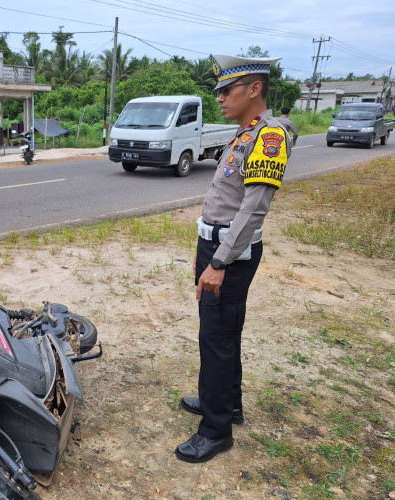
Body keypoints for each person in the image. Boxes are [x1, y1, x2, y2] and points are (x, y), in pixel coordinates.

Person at [175, 54, 292, 463]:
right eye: (219, 91)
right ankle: (224, 402)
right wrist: (205, 255)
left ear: (254, 89)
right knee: (221, 331)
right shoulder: (244, 134)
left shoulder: (270, 137)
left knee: (218, 336)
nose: (220, 98)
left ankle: (216, 429)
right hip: (216, 246)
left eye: (228, 90)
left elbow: (253, 209)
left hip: (232, 253)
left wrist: (219, 263)